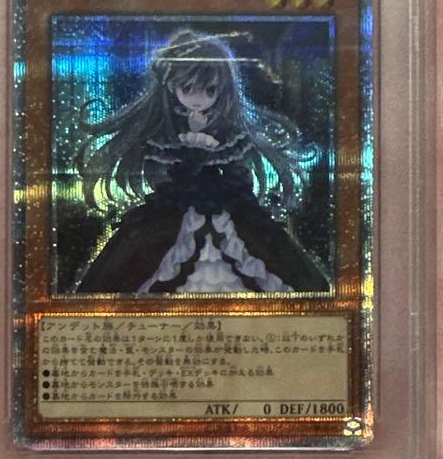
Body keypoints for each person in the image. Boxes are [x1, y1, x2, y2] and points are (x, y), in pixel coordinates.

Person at [74, 29, 329, 294]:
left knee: (272, 257)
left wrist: (229, 184)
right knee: (135, 260)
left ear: (223, 89)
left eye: (209, 90)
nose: (198, 98)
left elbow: (238, 170)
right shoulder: (163, 130)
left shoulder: (231, 132)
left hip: (227, 206)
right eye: (187, 88)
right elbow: (166, 171)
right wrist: (187, 167)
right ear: (171, 86)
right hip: (173, 209)